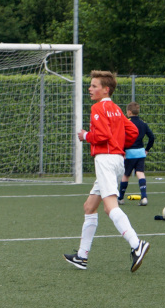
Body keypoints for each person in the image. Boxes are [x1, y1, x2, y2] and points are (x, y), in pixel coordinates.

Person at [64, 70, 150, 273]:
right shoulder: (117, 109)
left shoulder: (97, 108)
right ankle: (82, 257)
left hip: (105, 160)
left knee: (110, 207)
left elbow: (101, 135)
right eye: (91, 85)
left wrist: (86, 135)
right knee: (89, 207)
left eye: (94, 86)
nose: (90, 89)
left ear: (106, 89)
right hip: (117, 159)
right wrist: (117, 142)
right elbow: (133, 132)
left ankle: (136, 244)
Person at [118, 102, 155, 204]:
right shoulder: (143, 123)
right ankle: (144, 197)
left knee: (126, 175)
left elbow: (121, 137)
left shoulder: (126, 122)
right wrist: (146, 149)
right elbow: (152, 137)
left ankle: (120, 198)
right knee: (140, 173)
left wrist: (122, 151)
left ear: (129, 112)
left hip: (129, 153)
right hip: (140, 153)